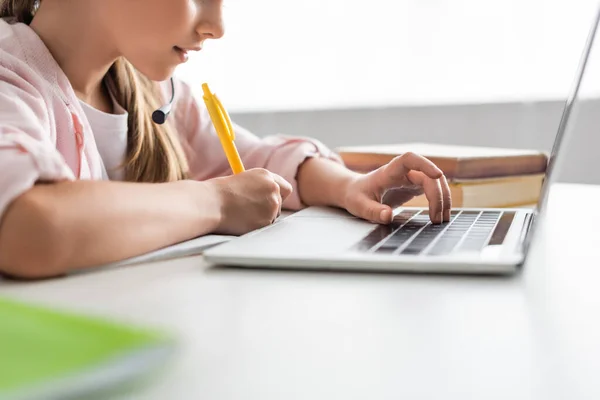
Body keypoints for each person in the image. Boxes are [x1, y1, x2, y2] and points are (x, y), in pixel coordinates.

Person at [0, 0, 451, 279]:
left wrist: (348, 185)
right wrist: (215, 203)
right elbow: (27, 229)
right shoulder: (10, 77)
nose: (216, 25)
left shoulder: (152, 93)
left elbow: (252, 159)